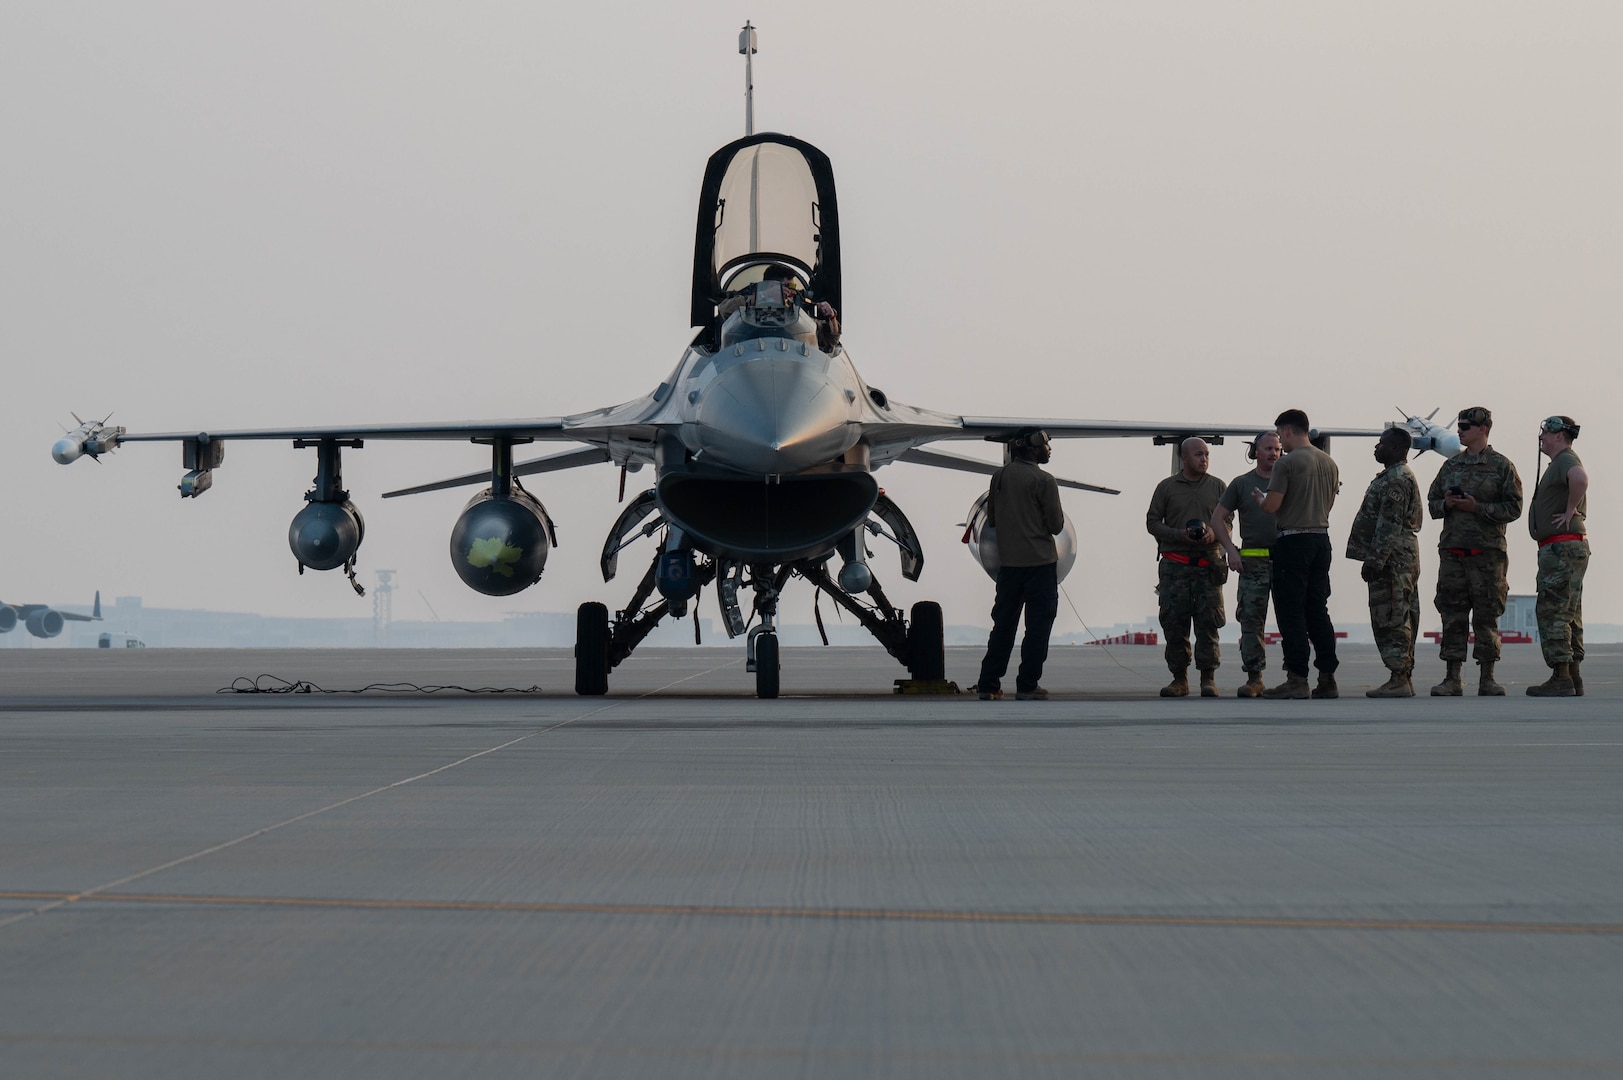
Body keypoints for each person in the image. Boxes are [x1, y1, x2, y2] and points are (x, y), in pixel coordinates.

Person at [1426, 406, 1523, 696]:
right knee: (1451, 614)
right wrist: (1447, 504)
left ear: (1483, 429)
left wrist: (1477, 508)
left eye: (1466, 426)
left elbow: (1514, 508)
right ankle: (1452, 677)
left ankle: (1487, 678)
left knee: (1486, 615)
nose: (1460, 430)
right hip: (1453, 553)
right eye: (1459, 425)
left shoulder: (1502, 466)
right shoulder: (1451, 466)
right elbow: (1430, 503)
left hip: (1487, 555)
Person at [1255, 409, 1341, 699]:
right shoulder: (1329, 462)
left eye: (1280, 435)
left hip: (1293, 541)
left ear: (1288, 431)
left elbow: (1272, 506)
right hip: (1321, 538)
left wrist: (1261, 499)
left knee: (1291, 611)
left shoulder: (1286, 464)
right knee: (1317, 609)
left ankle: (1297, 678)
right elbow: (1328, 504)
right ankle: (1327, 678)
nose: (1280, 441)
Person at [974, 429, 1063, 701]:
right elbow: (1057, 525)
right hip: (1041, 564)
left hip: (1009, 566)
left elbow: (993, 520)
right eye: (1045, 446)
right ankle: (1027, 685)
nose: (1048, 450)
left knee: (1003, 626)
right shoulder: (1045, 480)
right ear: (1032, 449)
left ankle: (989, 684)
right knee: (1037, 627)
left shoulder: (999, 477)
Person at [1145, 438, 1228, 697]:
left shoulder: (1218, 487)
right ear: (1184, 458)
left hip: (1208, 565)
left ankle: (1208, 678)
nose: (1203, 459)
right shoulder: (1167, 488)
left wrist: (1213, 534)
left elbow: (1228, 521)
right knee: (1175, 624)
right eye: (1197, 455)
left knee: (1208, 625)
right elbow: (1152, 522)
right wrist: (1177, 535)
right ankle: (1179, 678)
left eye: (1206, 454)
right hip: (1175, 567)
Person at [1345, 428, 1424, 697]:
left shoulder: (1396, 481)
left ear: (1397, 448)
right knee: (1400, 611)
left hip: (1393, 558)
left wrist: (1375, 560)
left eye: (1382, 444)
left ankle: (1399, 676)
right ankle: (1401, 675)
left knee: (1391, 613)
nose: (1376, 449)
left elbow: (1388, 525)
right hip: (1400, 555)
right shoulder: (1392, 477)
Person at [1214, 432, 1281, 697]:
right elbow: (1217, 518)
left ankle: (1296, 676)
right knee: (1251, 620)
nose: (1273, 454)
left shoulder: (1289, 482)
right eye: (1268, 449)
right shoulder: (1242, 484)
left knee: (1293, 619)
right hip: (1252, 562)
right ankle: (1255, 677)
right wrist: (1230, 550)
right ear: (1255, 451)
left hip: (1285, 559)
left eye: (1277, 449)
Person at [1526, 415, 1588, 697]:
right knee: (1569, 612)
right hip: (1566, 546)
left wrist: (1569, 509)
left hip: (1561, 548)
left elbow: (1580, 478)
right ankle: (1573, 676)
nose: (1542, 437)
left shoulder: (1565, 460)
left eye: (1546, 434)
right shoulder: (1561, 460)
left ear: (1559, 436)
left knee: (1552, 610)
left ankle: (1561, 676)